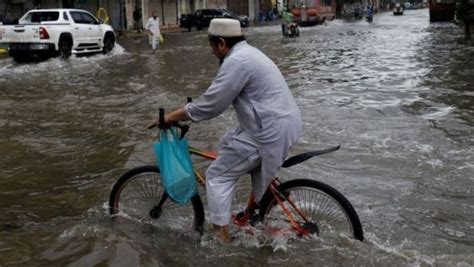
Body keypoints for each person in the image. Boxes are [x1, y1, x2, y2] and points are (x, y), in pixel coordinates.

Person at [156, 18, 302, 243]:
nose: (213, 53)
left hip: (267, 131)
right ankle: (253, 210)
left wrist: (171, 117)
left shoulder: (237, 62)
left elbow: (212, 104)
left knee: (216, 175)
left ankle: (221, 238)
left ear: (222, 43)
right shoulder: (249, 53)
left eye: (212, 47)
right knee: (227, 143)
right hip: (279, 123)